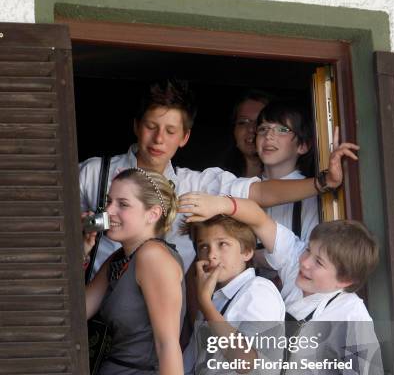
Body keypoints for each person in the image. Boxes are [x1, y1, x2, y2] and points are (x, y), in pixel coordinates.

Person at [178, 193, 387, 375]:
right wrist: (221, 205)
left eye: (318, 262)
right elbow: (259, 219)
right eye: (309, 250)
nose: (305, 262)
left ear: (345, 280)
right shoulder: (295, 266)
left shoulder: (352, 315)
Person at [79, 79, 358, 275]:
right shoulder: (95, 173)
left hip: (175, 321)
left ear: (185, 137)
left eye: (171, 131)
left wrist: (323, 183)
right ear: (137, 126)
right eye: (151, 127)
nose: (159, 139)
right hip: (104, 315)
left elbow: (259, 193)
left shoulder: (197, 184)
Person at [83, 168, 189, 375]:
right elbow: (77, 315)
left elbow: (167, 344)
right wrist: (82, 252)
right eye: (109, 202)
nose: (110, 211)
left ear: (152, 213)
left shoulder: (152, 257)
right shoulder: (120, 258)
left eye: (123, 204)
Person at [182, 215, 285, 375]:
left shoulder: (259, 291)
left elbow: (244, 361)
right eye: (203, 246)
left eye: (222, 244)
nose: (211, 255)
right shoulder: (215, 298)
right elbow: (189, 366)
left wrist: (203, 301)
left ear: (246, 252)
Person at [256, 99, 319, 243]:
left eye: (282, 130)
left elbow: (309, 255)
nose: (269, 136)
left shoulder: (312, 196)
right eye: (263, 129)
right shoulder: (243, 188)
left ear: (303, 145)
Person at [221, 90, 271, 178]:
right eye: (243, 122)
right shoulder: (217, 179)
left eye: (259, 122)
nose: (251, 129)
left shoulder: (292, 183)